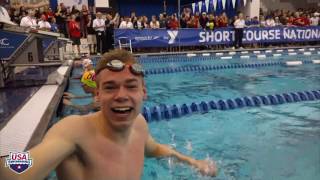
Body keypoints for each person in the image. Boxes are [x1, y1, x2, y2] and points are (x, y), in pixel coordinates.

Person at [0, 49, 217, 180]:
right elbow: (28, 163)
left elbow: (155, 148)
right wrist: (8, 163)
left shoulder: (139, 124)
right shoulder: (74, 131)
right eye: (110, 87)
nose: (121, 95)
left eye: (131, 86)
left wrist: (191, 161)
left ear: (144, 93)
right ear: (97, 94)